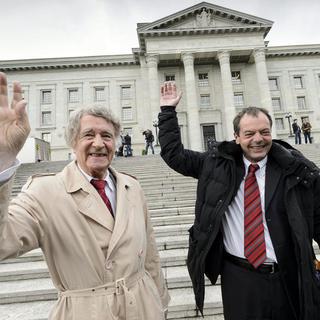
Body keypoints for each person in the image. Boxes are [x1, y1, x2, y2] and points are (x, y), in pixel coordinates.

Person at [0, 72, 169, 320]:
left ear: (116, 143)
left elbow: (151, 256)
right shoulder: (44, 192)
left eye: (107, 136)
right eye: (88, 135)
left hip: (143, 308)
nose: (99, 144)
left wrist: (160, 303)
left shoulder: (132, 187)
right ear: (72, 142)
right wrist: (3, 158)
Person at [158, 81, 320, 320]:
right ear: (236, 137)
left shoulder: (295, 171)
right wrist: (168, 112)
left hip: (289, 274)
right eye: (249, 134)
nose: (258, 139)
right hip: (240, 276)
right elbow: (175, 156)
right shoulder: (216, 166)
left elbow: (316, 216)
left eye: (264, 132)